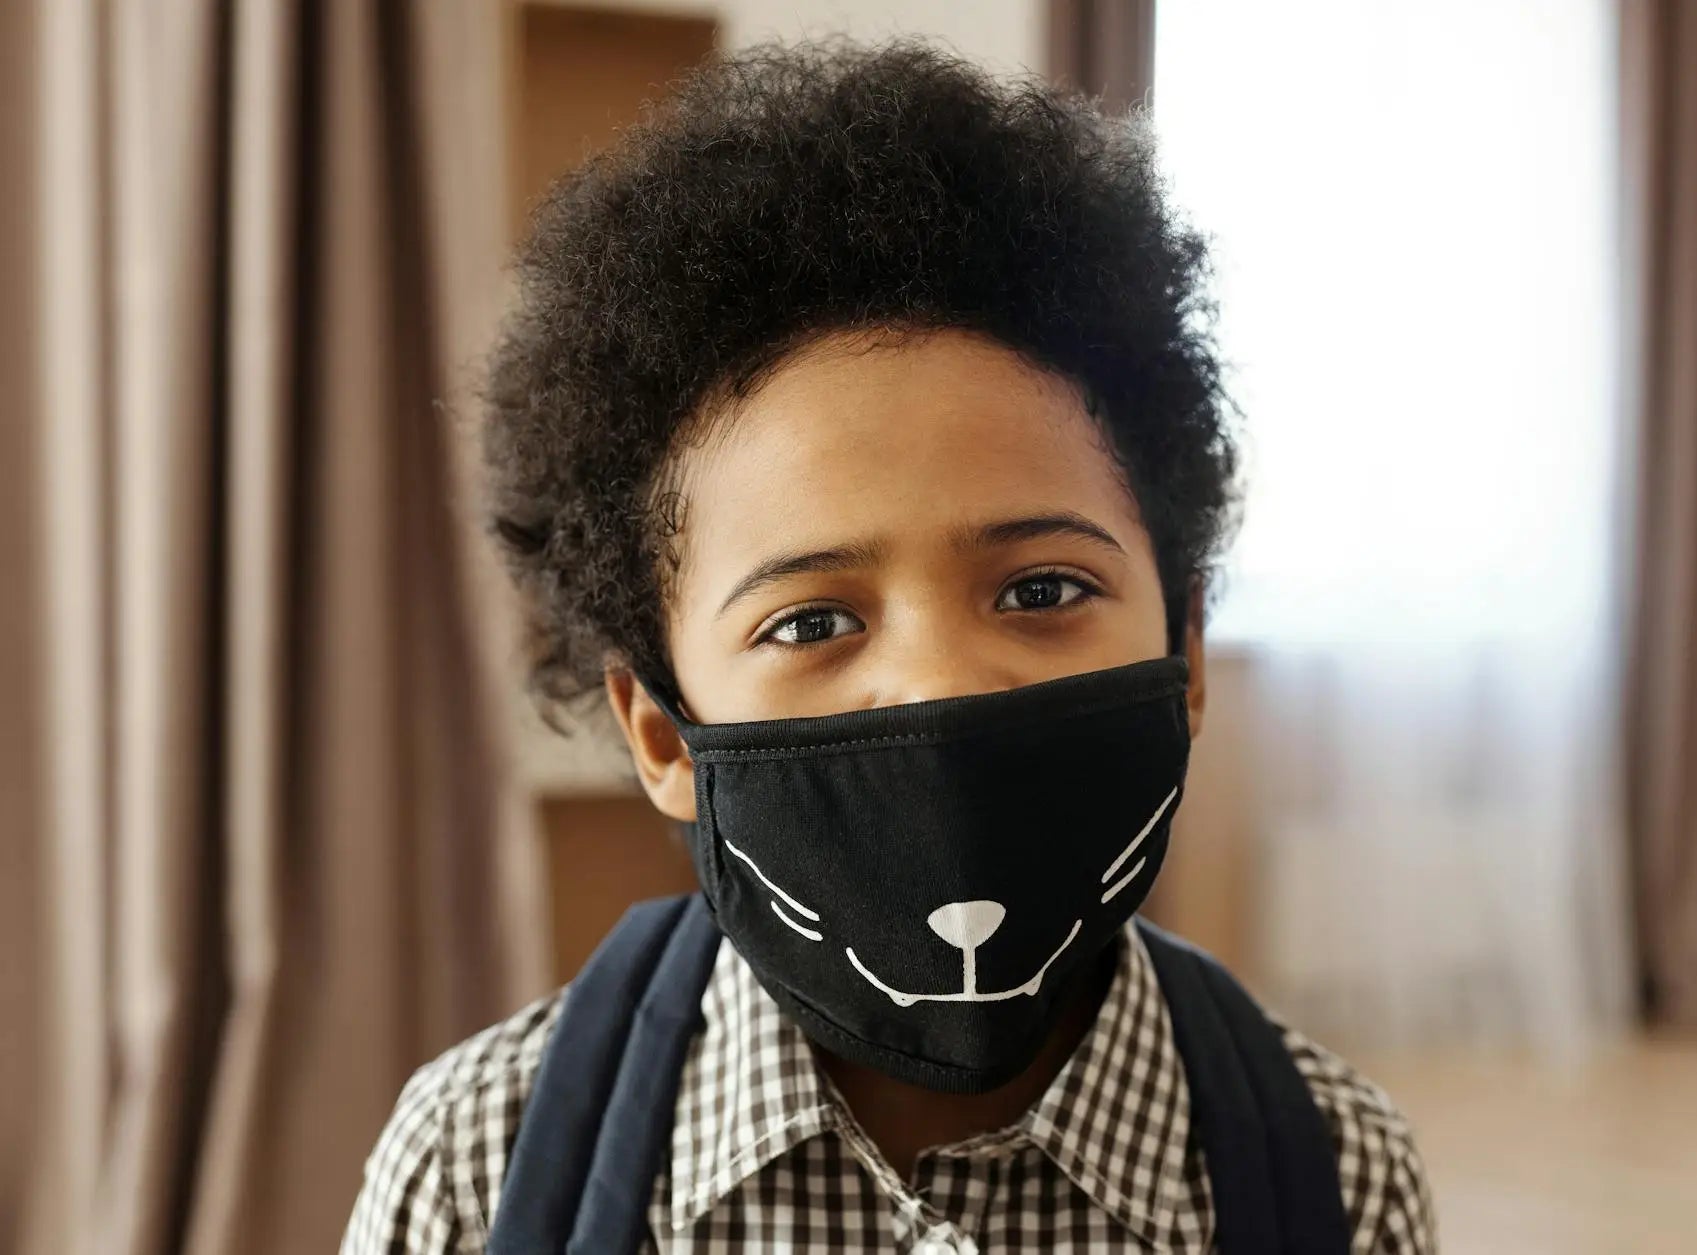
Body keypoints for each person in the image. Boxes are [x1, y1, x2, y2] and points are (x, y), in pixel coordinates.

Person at [344, 41, 1433, 1255]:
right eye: (809, 621)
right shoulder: (475, 1171)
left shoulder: (1335, 1170)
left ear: (1181, 652)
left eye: (1041, 587)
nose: (940, 681)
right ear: (662, 731)